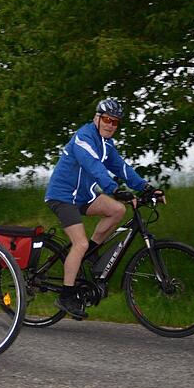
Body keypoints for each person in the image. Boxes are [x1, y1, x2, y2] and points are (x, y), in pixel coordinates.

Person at [44, 98, 164, 319]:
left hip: (83, 196)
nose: (111, 125)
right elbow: (94, 166)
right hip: (62, 196)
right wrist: (114, 189)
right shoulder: (84, 138)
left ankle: (90, 252)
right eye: (107, 119)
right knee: (78, 243)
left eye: (115, 122)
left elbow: (121, 167)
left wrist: (146, 187)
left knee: (117, 210)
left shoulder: (106, 144)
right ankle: (66, 296)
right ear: (96, 118)